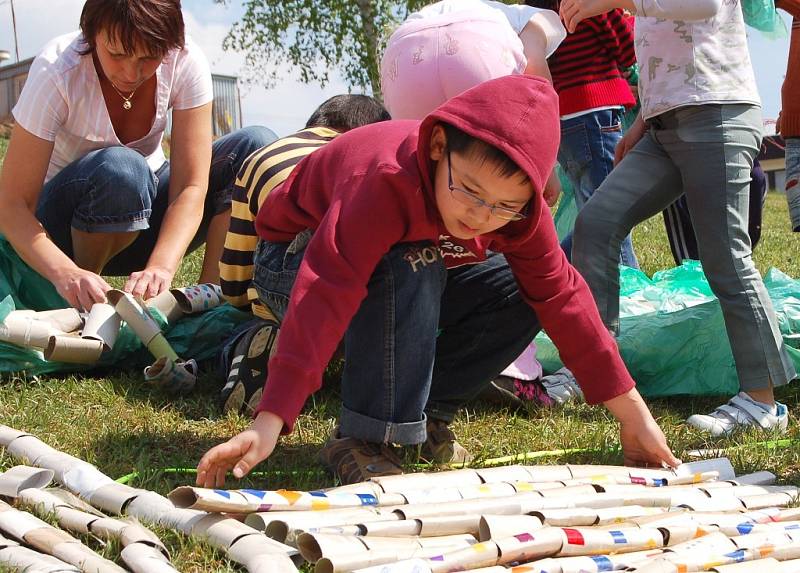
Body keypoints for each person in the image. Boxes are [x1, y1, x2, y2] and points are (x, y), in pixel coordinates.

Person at [196, 75, 680, 487]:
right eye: (469, 191)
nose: (480, 215)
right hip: (293, 261)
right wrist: (269, 422)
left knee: (522, 286)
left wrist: (634, 417)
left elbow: (563, 298)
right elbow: (326, 286)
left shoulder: (518, 216)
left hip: (409, 271)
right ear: (437, 147)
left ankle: (425, 415)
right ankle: (364, 435)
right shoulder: (384, 177)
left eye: (503, 205)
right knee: (410, 261)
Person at [564, 0, 797, 435]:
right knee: (595, 223)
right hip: (662, 127)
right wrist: (642, 122)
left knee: (725, 254)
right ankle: (594, 369)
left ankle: (762, 404)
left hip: (719, 111)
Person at [0, 0, 276, 311]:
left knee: (256, 147)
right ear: (92, 35)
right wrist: (67, 274)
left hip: (144, 217)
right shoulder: (57, 70)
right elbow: (11, 206)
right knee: (124, 169)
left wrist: (161, 267)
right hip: (62, 233)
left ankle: (206, 302)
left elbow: (189, 188)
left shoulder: (185, 61)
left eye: (150, 57)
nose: (132, 73)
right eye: (116, 54)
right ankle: (87, 304)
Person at [218, 94, 391, 415]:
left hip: (295, 289)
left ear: (313, 124)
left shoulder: (263, 156)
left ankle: (259, 344)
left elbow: (234, 283)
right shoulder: (379, 161)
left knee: (233, 323)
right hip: (372, 300)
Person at [381, 0, 567, 206]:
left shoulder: (435, 10)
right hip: (478, 45)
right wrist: (546, 169)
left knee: (424, 174)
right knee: (496, 173)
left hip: (405, 51)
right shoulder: (531, 17)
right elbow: (538, 82)